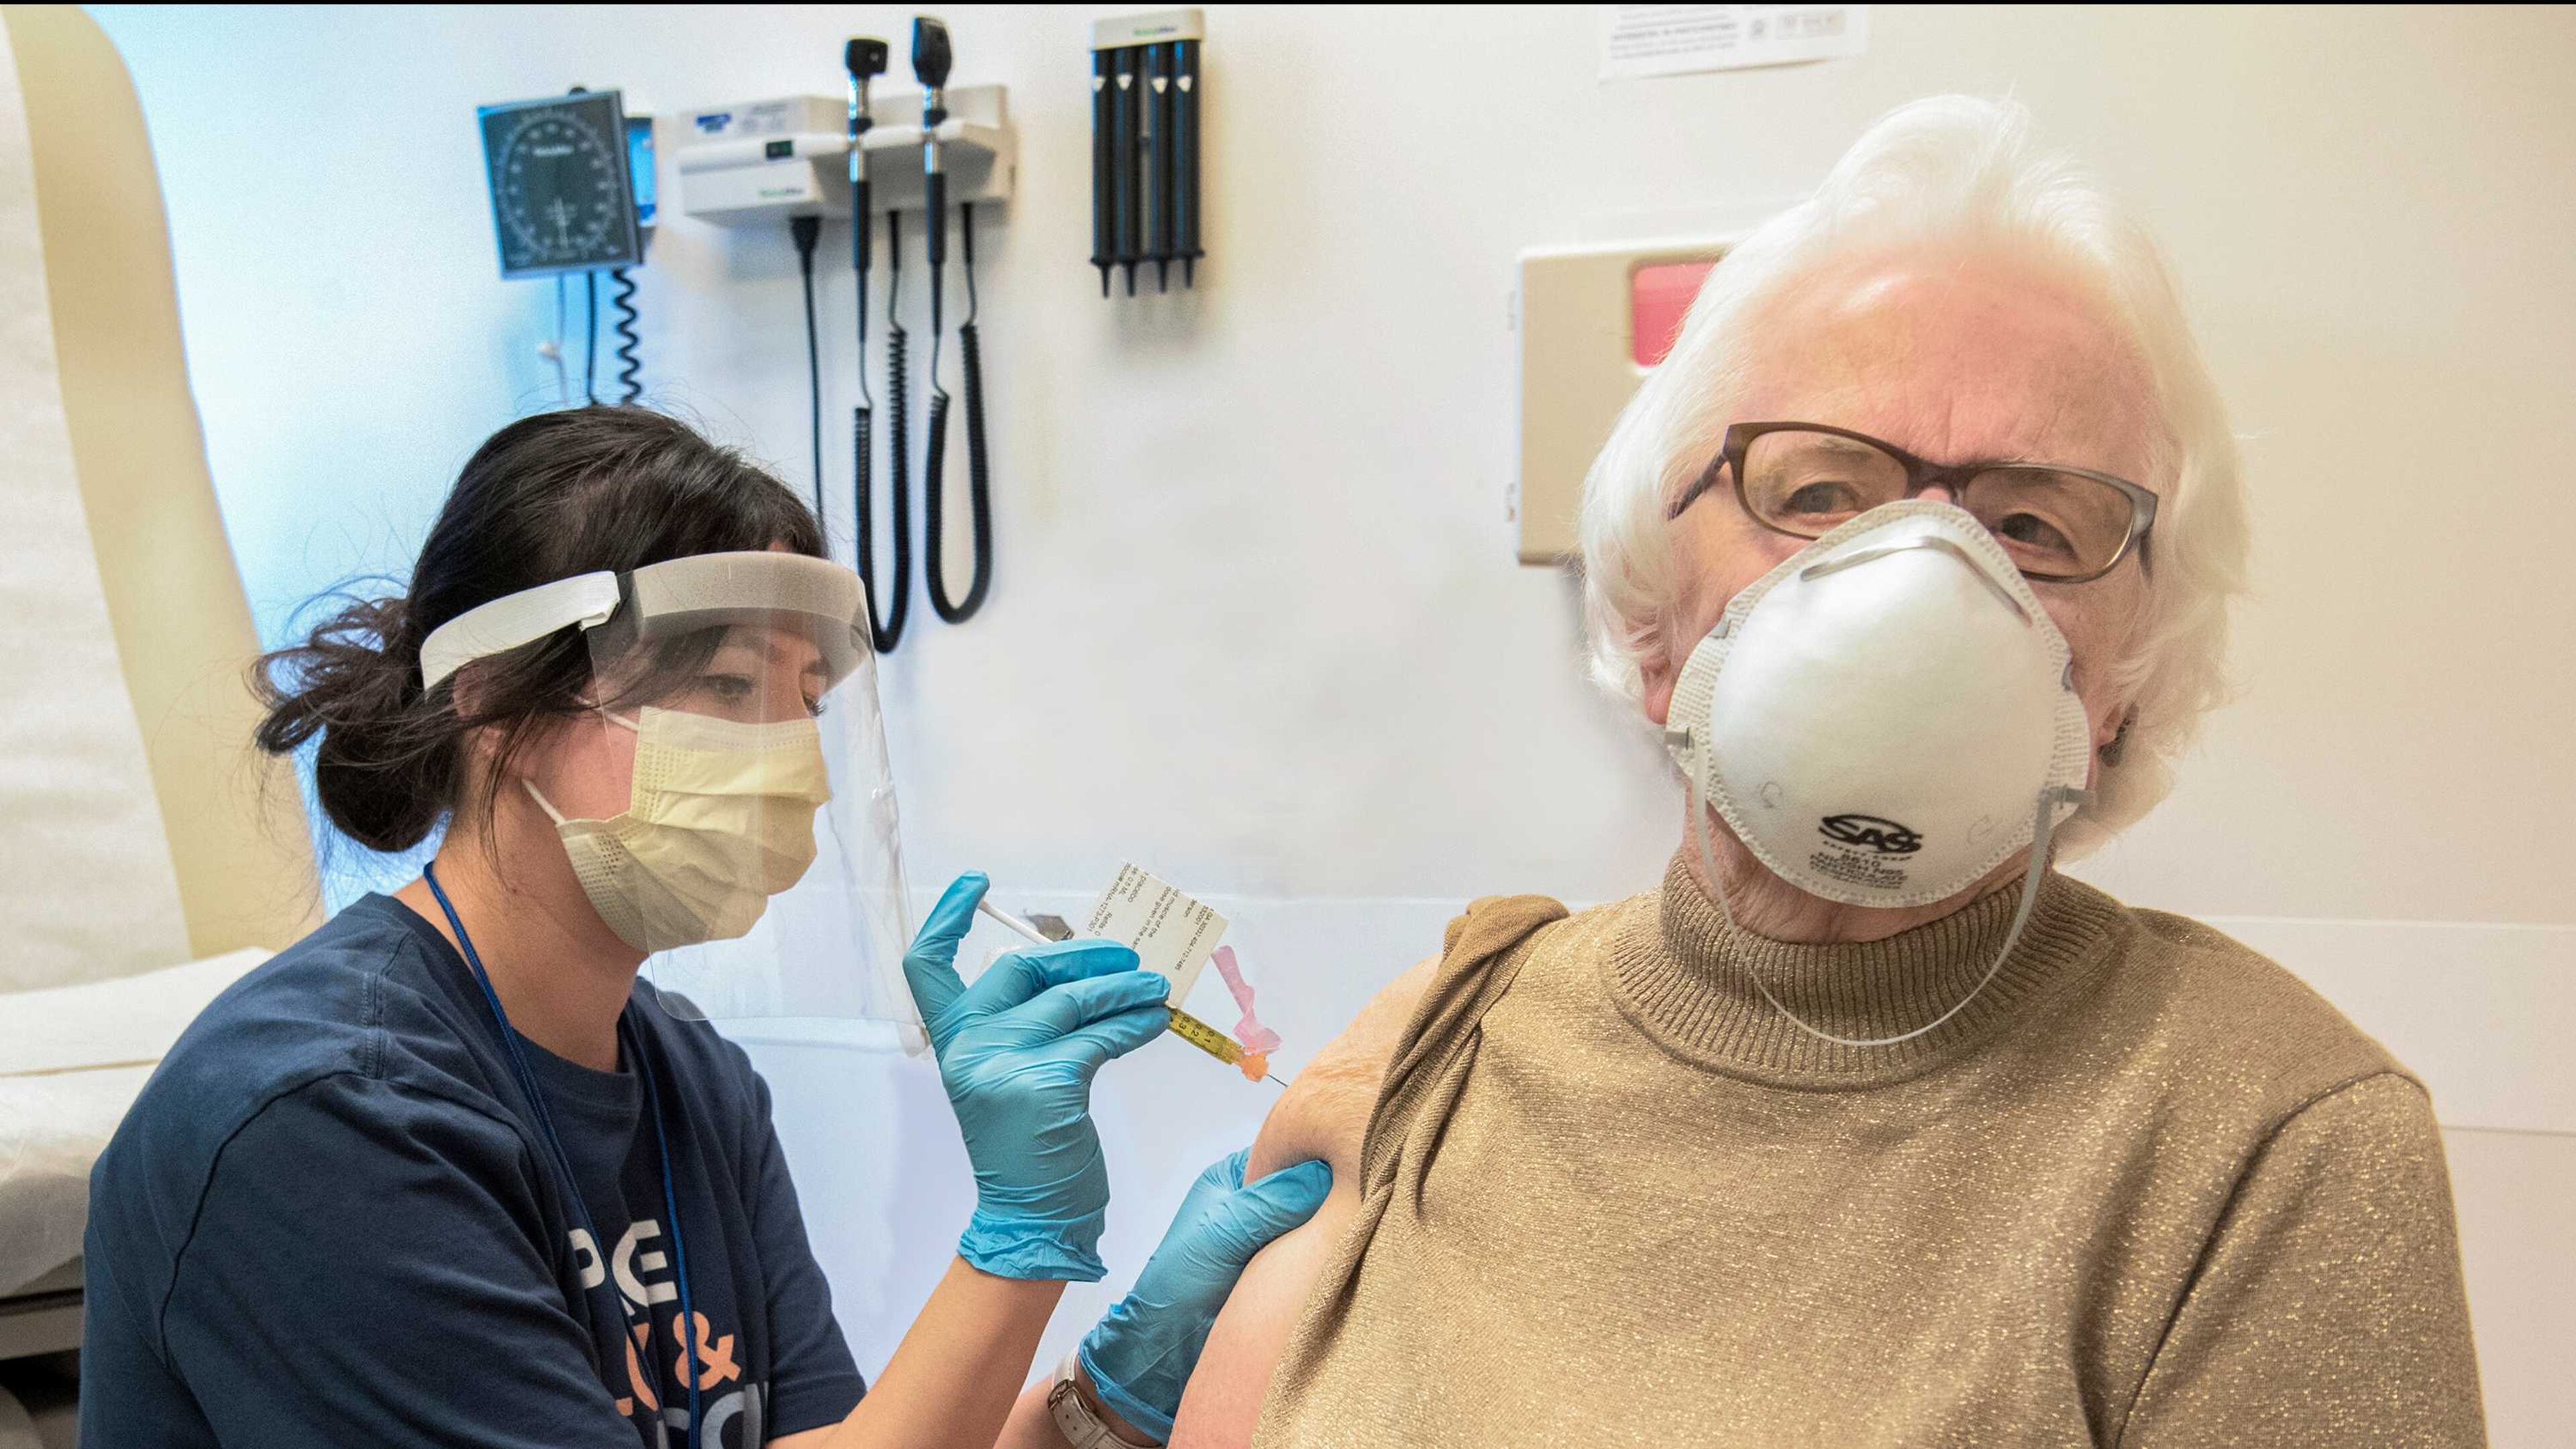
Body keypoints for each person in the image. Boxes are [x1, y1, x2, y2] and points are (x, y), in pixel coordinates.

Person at [1169, 97, 2486, 1446]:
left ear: (2123, 692)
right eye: (1815, 494)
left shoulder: (2266, 1144)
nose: (1920, 579)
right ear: (1649, 613)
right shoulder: (1454, 1027)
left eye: (2030, 523)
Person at [81, 406, 1326, 1449]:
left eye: (804, 700)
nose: (786, 759)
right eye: (726, 687)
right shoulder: (327, 1122)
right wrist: (1018, 1242)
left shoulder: (688, 1079)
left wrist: (1106, 1399)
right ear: (495, 708)